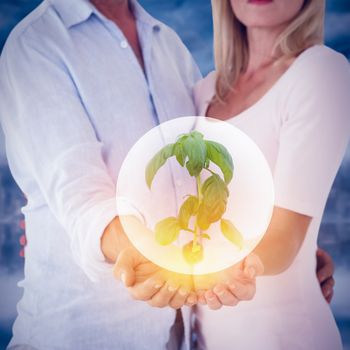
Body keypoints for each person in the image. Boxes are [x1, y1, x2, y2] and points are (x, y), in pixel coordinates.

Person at [0, 0, 338, 349]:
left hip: (179, 339)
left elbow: (197, 179)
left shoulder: (168, 46)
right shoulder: (36, 44)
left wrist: (291, 251)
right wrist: (138, 253)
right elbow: (81, 197)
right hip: (78, 337)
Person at [190, 0, 350, 348]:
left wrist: (189, 272)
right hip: (206, 337)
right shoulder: (204, 91)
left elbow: (283, 238)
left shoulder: (320, 72)